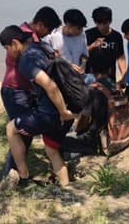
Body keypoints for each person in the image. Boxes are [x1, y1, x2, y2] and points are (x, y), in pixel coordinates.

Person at [6, 26, 76, 187]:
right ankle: (66, 187)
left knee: (11, 129)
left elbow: (50, 86)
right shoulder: (43, 47)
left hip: (51, 114)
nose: (8, 52)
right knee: (51, 151)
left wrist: (62, 112)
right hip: (68, 111)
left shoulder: (26, 61)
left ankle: (24, 177)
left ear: (15, 43)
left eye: (7, 48)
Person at [0, 7, 62, 179]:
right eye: (48, 30)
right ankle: (11, 176)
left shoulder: (28, 35)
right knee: (20, 133)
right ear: (40, 25)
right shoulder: (24, 38)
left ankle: (18, 174)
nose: (48, 34)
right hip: (16, 90)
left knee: (22, 132)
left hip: (24, 90)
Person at [85, 6, 126, 82]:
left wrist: (124, 76)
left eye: (104, 23)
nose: (101, 26)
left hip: (109, 77)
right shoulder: (88, 34)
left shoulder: (116, 36)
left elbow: (120, 57)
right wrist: (92, 46)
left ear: (110, 21)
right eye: (98, 23)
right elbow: (81, 54)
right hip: (90, 76)